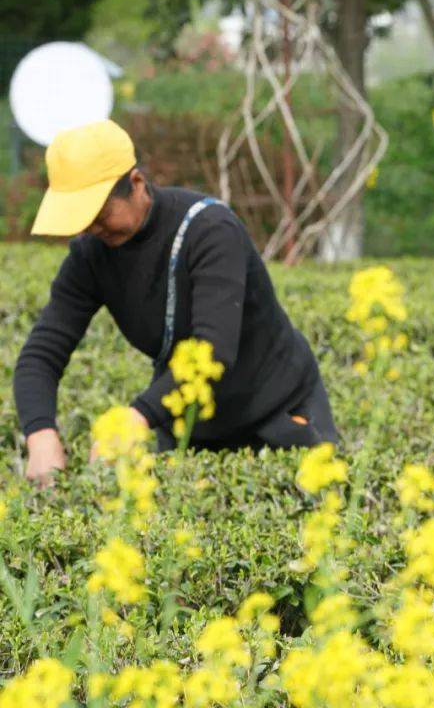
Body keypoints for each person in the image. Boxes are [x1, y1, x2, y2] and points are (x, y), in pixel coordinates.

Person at [15, 119, 338, 488]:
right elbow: (41, 354)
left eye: (100, 215)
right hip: (191, 423)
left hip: (277, 411)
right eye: (81, 220)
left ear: (136, 184)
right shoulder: (91, 255)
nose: (92, 229)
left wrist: (136, 417)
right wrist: (40, 434)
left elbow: (213, 351)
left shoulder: (210, 230)